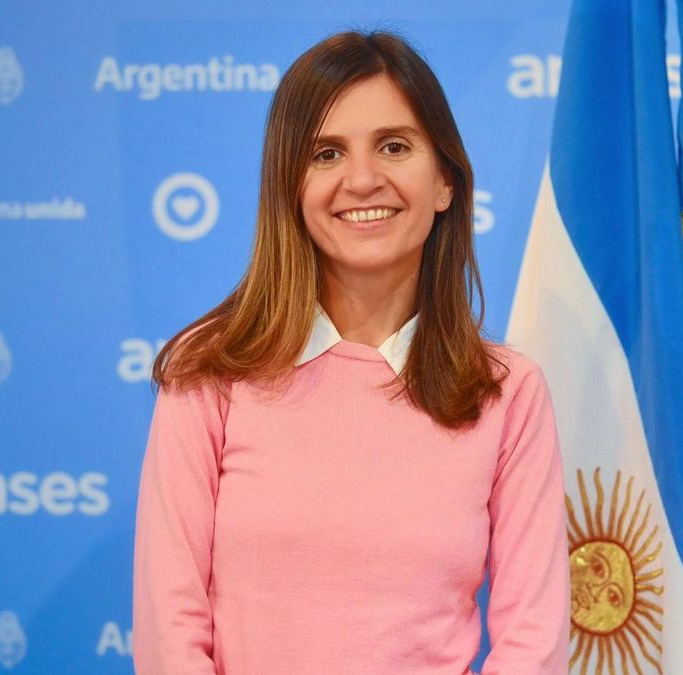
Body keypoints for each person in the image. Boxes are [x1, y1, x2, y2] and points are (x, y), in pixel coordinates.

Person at [132, 30, 570, 674]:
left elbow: (533, 642)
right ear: (290, 187)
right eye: (326, 153)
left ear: (445, 181)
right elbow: (169, 631)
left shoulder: (507, 392)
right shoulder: (209, 373)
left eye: (394, 146)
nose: (363, 180)